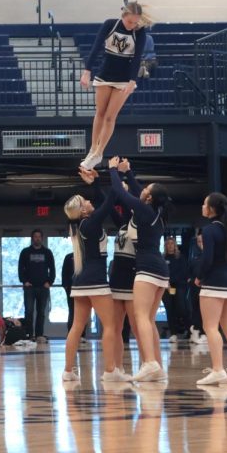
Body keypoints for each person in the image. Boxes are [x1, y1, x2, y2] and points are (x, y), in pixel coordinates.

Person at [108, 156, 171, 382]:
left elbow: (123, 193)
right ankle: (158, 366)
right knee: (149, 319)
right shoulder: (155, 213)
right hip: (161, 271)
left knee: (140, 316)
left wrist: (113, 170)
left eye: (147, 189)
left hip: (147, 269)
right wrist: (128, 172)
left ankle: (150, 363)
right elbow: (137, 191)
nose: (142, 189)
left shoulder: (144, 212)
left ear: (150, 197)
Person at [62, 167, 121, 382]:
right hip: (96, 281)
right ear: (84, 211)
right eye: (84, 201)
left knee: (77, 327)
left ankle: (68, 371)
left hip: (80, 282)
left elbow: (102, 200)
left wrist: (96, 183)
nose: (88, 201)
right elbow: (109, 202)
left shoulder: (82, 225)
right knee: (111, 326)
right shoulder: (91, 222)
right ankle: (109, 370)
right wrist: (115, 176)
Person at [79, 0, 153, 169]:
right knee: (100, 113)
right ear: (123, 15)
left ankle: (99, 153)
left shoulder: (139, 32)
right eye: (129, 22)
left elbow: (137, 58)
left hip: (124, 79)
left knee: (110, 116)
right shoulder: (110, 24)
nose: (132, 25)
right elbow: (96, 47)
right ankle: (92, 150)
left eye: (135, 22)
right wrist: (87, 70)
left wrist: (132, 81)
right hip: (105, 74)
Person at [194, 193, 227, 385]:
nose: (202, 206)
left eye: (204, 203)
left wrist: (199, 276)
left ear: (212, 209)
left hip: (215, 281)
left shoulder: (209, 230)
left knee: (210, 327)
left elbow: (207, 259)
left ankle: (218, 369)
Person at [106, 159, 139, 374]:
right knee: (116, 327)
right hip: (117, 277)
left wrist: (120, 176)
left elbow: (127, 200)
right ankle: (116, 367)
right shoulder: (122, 225)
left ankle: (148, 365)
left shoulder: (139, 220)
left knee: (138, 326)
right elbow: (110, 208)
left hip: (133, 278)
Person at [18, 228, 55, 341]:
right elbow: (20, 269)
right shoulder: (25, 252)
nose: (37, 239)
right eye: (35, 237)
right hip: (30, 287)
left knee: (41, 312)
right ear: (32, 238)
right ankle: (29, 335)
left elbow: (52, 269)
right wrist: (24, 281)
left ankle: (39, 335)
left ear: (42, 238)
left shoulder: (47, 252)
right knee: (28, 311)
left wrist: (50, 282)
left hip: (43, 287)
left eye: (39, 237)